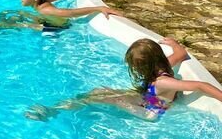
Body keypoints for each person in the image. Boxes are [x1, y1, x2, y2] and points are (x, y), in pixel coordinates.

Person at [27, 38, 222, 121]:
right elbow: (181, 53)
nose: (134, 69)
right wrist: (173, 44)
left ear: (147, 65)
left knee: (108, 98)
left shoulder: (163, 82)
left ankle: (53, 111)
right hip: (147, 100)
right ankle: (61, 106)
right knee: (99, 91)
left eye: (136, 66)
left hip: (151, 113)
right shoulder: (163, 67)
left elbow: (201, 85)